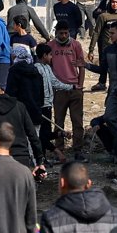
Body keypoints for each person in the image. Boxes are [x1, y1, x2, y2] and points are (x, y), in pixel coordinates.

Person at [0, 79, 41, 171]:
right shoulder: (20, 106)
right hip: (21, 158)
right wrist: (39, 161)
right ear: (3, 91)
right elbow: (32, 135)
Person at [46, 21, 87, 153]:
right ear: (56, 33)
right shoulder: (50, 46)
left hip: (75, 89)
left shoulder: (75, 45)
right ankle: (59, 150)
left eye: (66, 33)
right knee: (58, 121)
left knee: (77, 121)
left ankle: (78, 151)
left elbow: (81, 66)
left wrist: (80, 85)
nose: (63, 36)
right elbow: (48, 66)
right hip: (59, 90)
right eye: (61, 33)